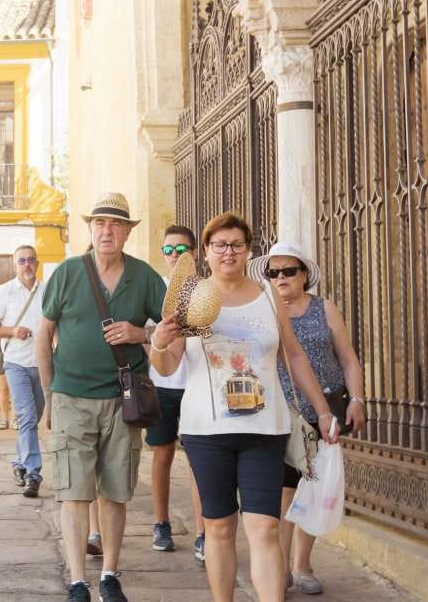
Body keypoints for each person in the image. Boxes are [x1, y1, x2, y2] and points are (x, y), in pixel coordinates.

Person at [149, 212, 340, 602]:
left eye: (237, 244)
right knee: (219, 529)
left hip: (264, 431)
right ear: (205, 252)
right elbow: (167, 366)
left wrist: (322, 411)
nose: (229, 252)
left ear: (248, 250)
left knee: (265, 528)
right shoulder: (191, 296)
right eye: (219, 245)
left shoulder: (268, 295)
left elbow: (294, 355)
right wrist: (158, 342)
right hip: (206, 433)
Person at [37, 193, 166, 602]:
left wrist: (140, 333)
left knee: (115, 491)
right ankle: (77, 581)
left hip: (122, 400)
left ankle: (110, 573)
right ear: (90, 229)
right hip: (71, 396)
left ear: (127, 232)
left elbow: (172, 329)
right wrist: (48, 395)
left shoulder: (144, 277)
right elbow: (44, 334)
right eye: (99, 223)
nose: (107, 230)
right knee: (74, 491)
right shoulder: (68, 272)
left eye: (115, 224)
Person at [248, 242, 366, 595]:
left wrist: (357, 399)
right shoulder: (263, 310)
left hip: (324, 408)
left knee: (313, 487)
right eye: (273, 273)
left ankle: (302, 565)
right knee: (285, 491)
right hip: (282, 412)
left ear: (304, 275)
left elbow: (347, 357)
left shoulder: (323, 307)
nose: (281, 278)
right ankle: (281, 568)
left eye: (289, 271)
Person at [144, 226, 206, 558]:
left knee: (198, 459)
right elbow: (144, 331)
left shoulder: (206, 291)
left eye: (181, 250)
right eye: (168, 250)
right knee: (162, 454)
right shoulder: (156, 288)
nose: (174, 256)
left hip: (197, 385)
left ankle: (202, 532)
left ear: (194, 253)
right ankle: (161, 523)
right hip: (162, 384)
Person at [0, 245, 46, 498]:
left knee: (33, 418)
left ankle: (19, 461)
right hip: (16, 363)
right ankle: (33, 473)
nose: (26, 264)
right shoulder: (4, 291)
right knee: (27, 417)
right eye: (22, 261)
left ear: (36, 263)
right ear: (15, 265)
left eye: (30, 260)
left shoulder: (47, 290)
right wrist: (11, 331)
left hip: (43, 364)